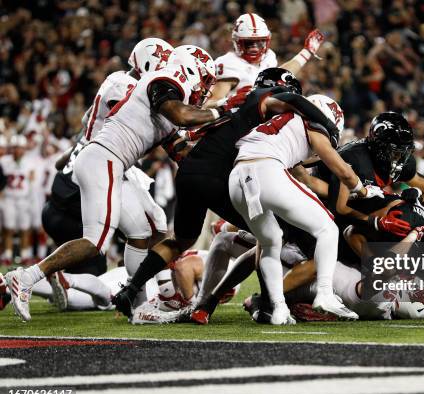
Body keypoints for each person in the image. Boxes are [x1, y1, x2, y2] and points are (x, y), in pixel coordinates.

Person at [5, 45, 220, 322]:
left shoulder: (162, 99)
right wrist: (220, 112)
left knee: (146, 229)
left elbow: (181, 151)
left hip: (107, 161)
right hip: (104, 159)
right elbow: (179, 116)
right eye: (203, 81)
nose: (204, 90)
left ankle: (140, 305)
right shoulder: (152, 86)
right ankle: (27, 276)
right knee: (96, 242)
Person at [111, 68, 341, 321]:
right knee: (270, 237)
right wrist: (328, 126)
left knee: (182, 240)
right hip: (219, 175)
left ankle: (131, 290)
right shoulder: (265, 100)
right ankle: (267, 305)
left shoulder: (238, 104)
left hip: (191, 171)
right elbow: (294, 102)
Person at [41, 38, 174, 310]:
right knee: (117, 243)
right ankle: (164, 291)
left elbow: (85, 131)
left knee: (99, 282)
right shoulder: (127, 88)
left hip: (67, 189)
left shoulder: (117, 85)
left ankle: (153, 291)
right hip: (82, 187)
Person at [228, 94, 364, 324]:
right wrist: (360, 188)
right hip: (266, 169)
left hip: (238, 180)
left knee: (271, 242)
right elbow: (341, 169)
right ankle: (324, 294)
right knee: (327, 229)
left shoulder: (280, 123)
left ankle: (279, 309)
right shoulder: (311, 123)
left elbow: (302, 171)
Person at [208, 13, 325, 103]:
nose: (254, 48)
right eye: (249, 43)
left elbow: (280, 74)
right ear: (237, 42)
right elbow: (210, 104)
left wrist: (307, 52)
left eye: (259, 42)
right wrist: (233, 102)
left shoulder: (269, 56)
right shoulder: (228, 63)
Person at [0, 135, 35, 265]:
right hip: (8, 198)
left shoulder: (29, 162)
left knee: (24, 228)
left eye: (19, 148)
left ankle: (25, 254)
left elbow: (32, 181)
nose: (17, 150)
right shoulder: (4, 161)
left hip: (23, 199)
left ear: (24, 149)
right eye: (15, 148)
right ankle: (7, 255)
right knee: (8, 228)